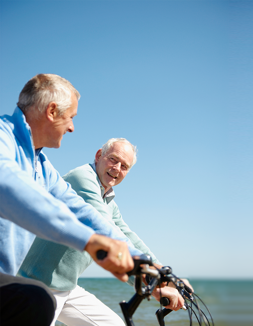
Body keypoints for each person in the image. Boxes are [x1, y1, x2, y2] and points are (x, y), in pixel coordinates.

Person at [0, 74, 141, 325]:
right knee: (36, 300)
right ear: (52, 111)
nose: (72, 128)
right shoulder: (3, 138)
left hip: (18, 284)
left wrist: (145, 265)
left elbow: (80, 211)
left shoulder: (41, 166)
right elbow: (8, 184)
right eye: (71, 117)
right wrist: (91, 241)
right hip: (31, 285)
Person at [19, 138, 185, 325]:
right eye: (113, 159)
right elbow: (105, 228)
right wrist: (148, 276)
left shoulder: (108, 201)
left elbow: (129, 237)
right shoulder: (82, 178)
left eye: (124, 166)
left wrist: (165, 275)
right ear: (99, 156)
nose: (117, 168)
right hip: (37, 284)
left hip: (66, 287)